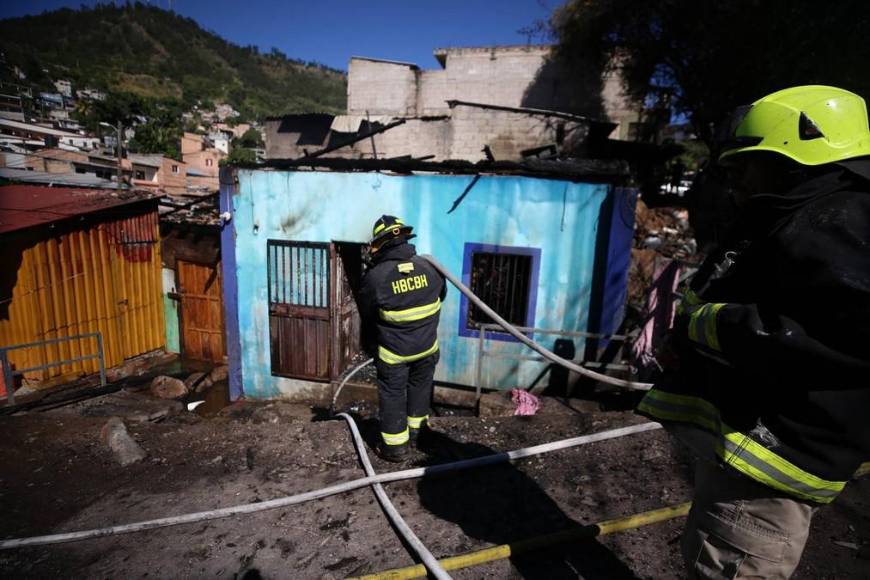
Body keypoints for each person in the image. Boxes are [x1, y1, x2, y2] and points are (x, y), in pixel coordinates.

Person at [637, 85, 870, 578]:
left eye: (745, 164)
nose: (734, 179)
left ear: (796, 156)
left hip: (770, 464)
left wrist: (711, 326)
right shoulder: (798, 213)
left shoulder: (836, 219)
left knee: (730, 564)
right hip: (750, 452)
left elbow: (840, 330)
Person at [359, 215, 447, 462]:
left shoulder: (376, 277)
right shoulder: (430, 268)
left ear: (381, 244)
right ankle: (419, 434)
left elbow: (366, 313)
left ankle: (395, 448)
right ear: (405, 239)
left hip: (394, 353)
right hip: (427, 347)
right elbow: (441, 296)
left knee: (393, 394)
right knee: (420, 388)